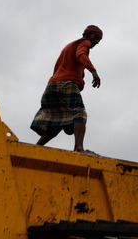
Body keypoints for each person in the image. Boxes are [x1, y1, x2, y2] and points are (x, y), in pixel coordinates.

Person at [31, 25, 103, 153]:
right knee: (79, 113)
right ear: (87, 34)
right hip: (66, 84)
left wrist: (81, 76)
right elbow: (81, 55)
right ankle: (79, 149)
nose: (97, 42)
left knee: (56, 123)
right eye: (96, 37)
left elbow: (64, 67)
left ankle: (35, 149)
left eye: (99, 40)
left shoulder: (69, 47)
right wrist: (94, 71)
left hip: (52, 86)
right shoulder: (83, 43)